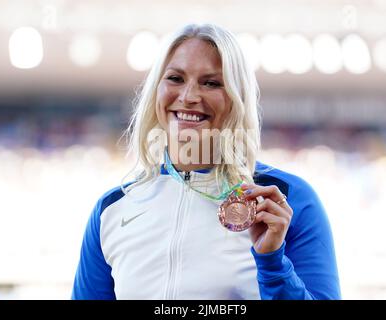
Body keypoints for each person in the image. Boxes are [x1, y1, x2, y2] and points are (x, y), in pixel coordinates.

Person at [71, 23, 341, 300]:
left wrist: (273, 264)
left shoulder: (285, 200)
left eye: (211, 83)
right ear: (156, 90)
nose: (188, 97)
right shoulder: (112, 209)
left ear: (238, 98)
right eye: (175, 78)